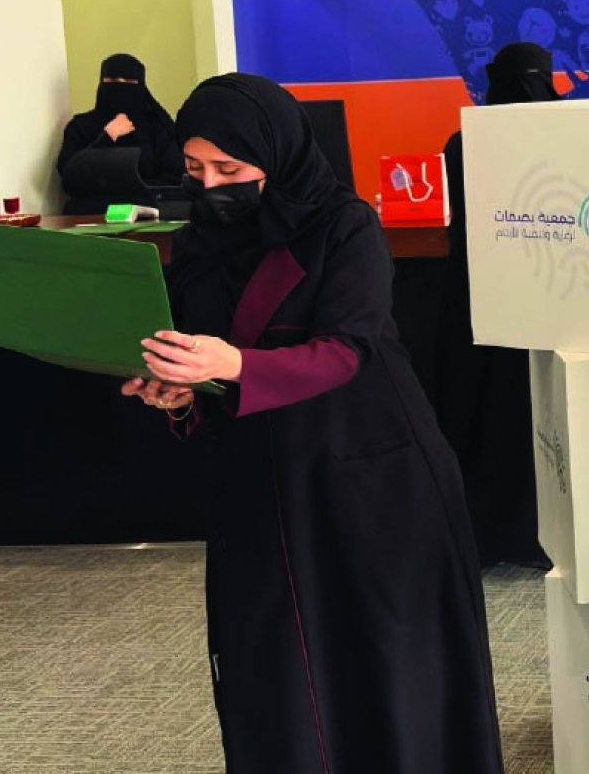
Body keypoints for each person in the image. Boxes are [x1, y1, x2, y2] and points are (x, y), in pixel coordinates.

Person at [120, 73, 504, 773]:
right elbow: (204, 354)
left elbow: (348, 350)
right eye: (195, 170)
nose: (211, 186)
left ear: (277, 153)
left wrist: (235, 364)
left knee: (383, 664)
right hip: (259, 486)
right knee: (271, 669)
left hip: (366, 476)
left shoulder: (343, 225)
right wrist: (180, 391)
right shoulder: (201, 241)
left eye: (229, 169)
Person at [435, 40, 560, 567]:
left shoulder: (462, 144)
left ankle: (480, 536)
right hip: (551, 297)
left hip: (476, 305)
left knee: (481, 419)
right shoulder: (571, 135)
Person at [56, 53, 184, 210]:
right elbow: (70, 178)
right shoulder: (80, 126)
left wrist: (132, 192)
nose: (120, 87)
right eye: (111, 81)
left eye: (129, 82)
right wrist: (107, 137)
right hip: (89, 212)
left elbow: (174, 178)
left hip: (147, 210)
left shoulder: (158, 129)